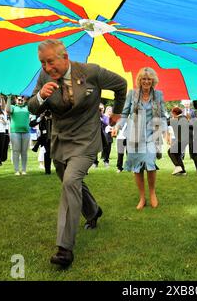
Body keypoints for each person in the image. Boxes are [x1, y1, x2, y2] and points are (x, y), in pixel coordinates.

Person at [28, 39, 127, 268]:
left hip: (86, 139)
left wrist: (117, 113)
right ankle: (93, 211)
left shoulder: (91, 72)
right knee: (69, 180)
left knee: (71, 181)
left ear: (64, 57)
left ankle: (64, 250)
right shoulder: (44, 78)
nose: (46, 67)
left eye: (50, 61)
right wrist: (42, 95)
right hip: (61, 139)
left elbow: (121, 85)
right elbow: (33, 107)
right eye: (42, 63)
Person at [117, 67, 167, 210]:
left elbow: (163, 115)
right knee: (137, 167)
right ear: (139, 80)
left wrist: (164, 130)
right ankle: (141, 197)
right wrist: (118, 127)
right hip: (135, 134)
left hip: (153, 134)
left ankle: (152, 193)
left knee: (150, 163)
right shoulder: (132, 94)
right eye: (143, 79)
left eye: (149, 79)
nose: (146, 81)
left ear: (153, 80)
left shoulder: (158, 95)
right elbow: (125, 113)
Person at [167, 106, 197, 176]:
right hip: (191, 138)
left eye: (172, 113)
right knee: (185, 154)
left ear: (174, 113)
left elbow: (166, 123)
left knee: (171, 151)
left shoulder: (179, 119)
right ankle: (184, 171)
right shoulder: (184, 118)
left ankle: (178, 167)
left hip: (185, 139)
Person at [6, 96, 31, 175]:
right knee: (16, 151)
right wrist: (8, 98)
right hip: (15, 132)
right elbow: (7, 110)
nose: (20, 101)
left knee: (24, 152)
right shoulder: (13, 107)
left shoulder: (27, 107)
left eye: (22, 100)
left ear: (24, 100)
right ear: (16, 100)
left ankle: (24, 170)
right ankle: (16, 170)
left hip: (26, 132)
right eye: (19, 100)